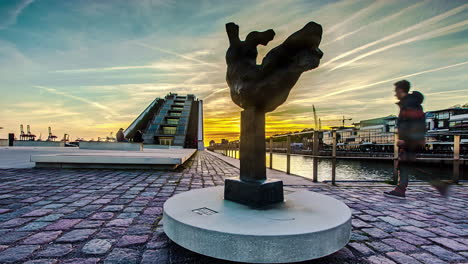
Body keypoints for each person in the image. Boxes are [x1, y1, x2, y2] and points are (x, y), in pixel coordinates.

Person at [384, 80, 449, 199]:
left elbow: (414, 124)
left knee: (407, 165)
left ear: (400, 90)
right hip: (412, 140)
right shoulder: (409, 103)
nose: (395, 94)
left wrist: (405, 139)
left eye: (395, 91)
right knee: (406, 165)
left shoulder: (410, 104)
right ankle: (401, 189)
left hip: (411, 141)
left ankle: (402, 190)